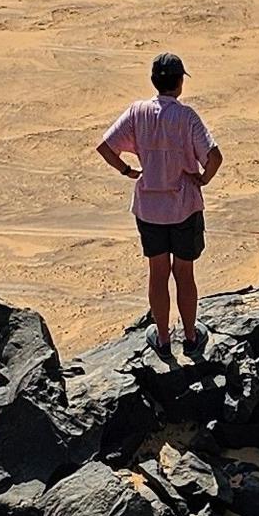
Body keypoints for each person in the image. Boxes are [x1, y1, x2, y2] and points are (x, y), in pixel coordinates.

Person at [97, 52, 223, 359]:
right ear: (179, 83)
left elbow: (105, 147)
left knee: (157, 273)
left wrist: (128, 172)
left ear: (155, 81)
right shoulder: (187, 117)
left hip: (150, 208)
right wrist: (202, 179)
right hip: (184, 206)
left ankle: (164, 340)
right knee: (184, 273)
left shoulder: (137, 112)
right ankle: (191, 337)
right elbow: (215, 156)